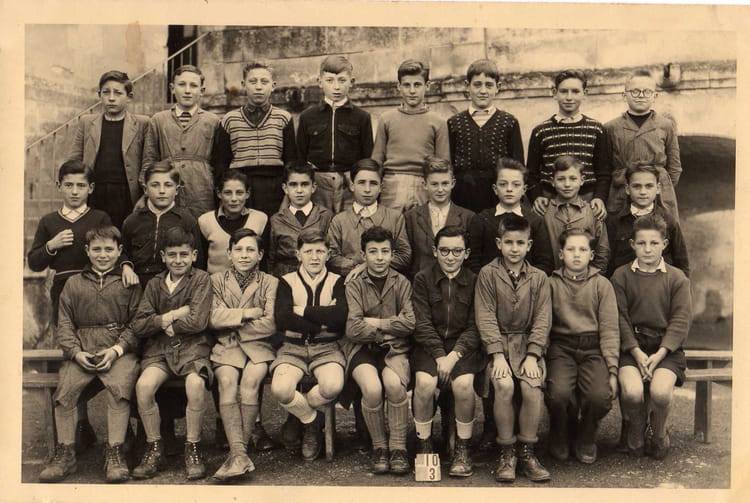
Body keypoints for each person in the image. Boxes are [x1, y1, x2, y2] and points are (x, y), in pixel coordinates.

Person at [27, 160, 138, 451]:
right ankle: (81, 423)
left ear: (91, 188)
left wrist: (126, 265)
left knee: (107, 354)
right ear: (59, 186)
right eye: (69, 185)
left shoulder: (99, 217)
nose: (74, 191)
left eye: (80, 185)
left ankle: (123, 430)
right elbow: (35, 262)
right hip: (67, 290)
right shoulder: (49, 221)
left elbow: (114, 245)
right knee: (74, 354)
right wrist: (51, 245)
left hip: (102, 287)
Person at [38, 226, 142, 483]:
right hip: (82, 350)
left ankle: (115, 452)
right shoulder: (73, 283)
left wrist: (117, 350)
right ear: (87, 251)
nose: (102, 255)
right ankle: (66, 454)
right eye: (96, 249)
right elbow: (64, 324)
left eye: (108, 249)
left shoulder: (130, 283)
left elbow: (137, 324)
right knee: (64, 393)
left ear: (119, 251)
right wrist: (75, 353)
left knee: (119, 391)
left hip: (118, 351)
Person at [474, 214, 551, 483]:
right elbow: (485, 316)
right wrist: (496, 354)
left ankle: (527, 451)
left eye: (520, 243)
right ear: (499, 243)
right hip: (497, 346)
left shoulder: (539, 277)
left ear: (529, 245)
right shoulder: (488, 274)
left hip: (528, 346)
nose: (514, 249)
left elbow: (542, 319)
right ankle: (506, 452)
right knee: (504, 385)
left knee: (531, 386)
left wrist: (533, 355)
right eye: (509, 242)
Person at [132, 226, 213, 480]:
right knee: (144, 386)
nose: (178, 260)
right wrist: (169, 317)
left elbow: (198, 321)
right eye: (172, 255)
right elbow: (139, 324)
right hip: (160, 350)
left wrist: (167, 325)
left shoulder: (201, 279)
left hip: (193, 349)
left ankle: (193, 446)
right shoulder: (155, 284)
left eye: (184, 254)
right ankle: (154, 446)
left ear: (194, 255)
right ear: (163, 257)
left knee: (195, 384)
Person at [611, 213, 692, 460]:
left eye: (654, 243)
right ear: (632, 244)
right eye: (642, 243)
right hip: (632, 347)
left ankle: (658, 432)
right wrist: (635, 352)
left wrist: (660, 354)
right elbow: (620, 318)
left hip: (665, 349)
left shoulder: (676, 278)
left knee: (660, 392)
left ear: (664, 244)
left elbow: (680, 320)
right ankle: (636, 429)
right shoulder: (621, 276)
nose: (647, 249)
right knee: (632, 391)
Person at [411, 226, 484, 477]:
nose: (450, 257)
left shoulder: (475, 281)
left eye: (457, 251)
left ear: (466, 253)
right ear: (434, 251)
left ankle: (463, 447)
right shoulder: (422, 279)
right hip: (429, 347)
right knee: (424, 383)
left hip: (463, 349)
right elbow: (421, 323)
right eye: (444, 251)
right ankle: (424, 444)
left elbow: (476, 326)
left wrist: (454, 355)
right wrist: (439, 354)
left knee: (463, 385)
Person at [343, 226, 415, 475]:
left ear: (392, 254)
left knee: (394, 385)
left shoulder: (401, 282)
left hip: (395, 349)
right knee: (372, 388)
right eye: (373, 252)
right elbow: (353, 328)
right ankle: (380, 447)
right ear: (363, 255)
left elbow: (409, 323)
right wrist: (386, 330)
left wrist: (375, 323)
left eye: (385, 251)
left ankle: (398, 447)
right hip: (361, 348)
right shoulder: (354, 283)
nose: (380, 257)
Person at [271, 229, 347, 461]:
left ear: (328, 254)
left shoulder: (337, 281)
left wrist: (301, 310)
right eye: (308, 251)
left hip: (327, 348)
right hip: (292, 347)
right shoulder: (286, 281)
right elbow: (282, 318)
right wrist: (321, 320)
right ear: (298, 254)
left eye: (320, 252)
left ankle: (299, 414)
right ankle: (312, 420)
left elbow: (340, 317)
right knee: (281, 389)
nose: (314, 257)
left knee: (332, 386)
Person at [208, 229, 278, 481]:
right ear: (229, 253)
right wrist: (247, 314)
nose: (244, 255)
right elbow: (212, 318)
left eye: (250, 250)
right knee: (227, 382)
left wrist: (232, 321)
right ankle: (239, 455)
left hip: (260, 347)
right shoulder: (216, 280)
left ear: (260, 255)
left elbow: (271, 323)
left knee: (250, 383)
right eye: (238, 249)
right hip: (227, 346)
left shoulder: (270, 282)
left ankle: (238, 454)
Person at [545, 229, 619, 464]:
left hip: (592, 348)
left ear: (591, 255)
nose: (576, 255)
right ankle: (560, 430)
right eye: (571, 249)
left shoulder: (602, 285)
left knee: (600, 396)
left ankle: (586, 434)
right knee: (558, 394)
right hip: (561, 348)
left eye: (583, 249)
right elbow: (543, 324)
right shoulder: (550, 284)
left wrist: (613, 369)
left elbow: (609, 329)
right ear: (561, 254)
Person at [211, 61, 297, 216]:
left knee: (272, 227)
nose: (258, 87)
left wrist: (288, 194)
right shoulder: (229, 119)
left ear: (273, 86)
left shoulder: (283, 118)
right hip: (240, 187)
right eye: (252, 81)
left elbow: (290, 161)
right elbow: (221, 163)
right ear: (244, 85)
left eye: (264, 82)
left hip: (274, 186)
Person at [68, 70, 149, 228]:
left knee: (124, 235)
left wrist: (145, 195)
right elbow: (75, 159)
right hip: (95, 192)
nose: (111, 98)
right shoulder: (87, 122)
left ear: (129, 97)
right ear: (99, 95)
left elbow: (148, 162)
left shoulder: (142, 123)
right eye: (106, 92)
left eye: (118, 93)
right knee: (94, 235)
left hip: (127, 193)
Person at [526, 69, 610, 221]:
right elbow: (531, 173)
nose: (569, 97)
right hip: (550, 202)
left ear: (585, 93)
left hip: (587, 200)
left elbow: (603, 172)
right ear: (554, 93)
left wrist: (599, 197)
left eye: (575, 91)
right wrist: (536, 196)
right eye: (564, 91)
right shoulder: (541, 131)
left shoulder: (596, 129)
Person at [296, 55, 374, 213]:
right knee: (319, 222)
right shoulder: (307, 117)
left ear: (351, 82)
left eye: (342, 80)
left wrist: (357, 180)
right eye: (330, 80)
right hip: (318, 182)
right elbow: (300, 156)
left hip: (349, 183)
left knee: (350, 222)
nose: (336, 87)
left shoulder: (361, 117)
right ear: (320, 82)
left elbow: (367, 156)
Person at [142, 65, 221, 218]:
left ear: (202, 91)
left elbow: (219, 163)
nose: (187, 90)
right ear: (172, 88)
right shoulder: (158, 120)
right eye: (182, 84)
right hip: (166, 190)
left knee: (201, 227)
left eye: (193, 85)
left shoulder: (213, 121)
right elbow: (149, 159)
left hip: (202, 191)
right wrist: (147, 191)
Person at [447, 59, 524, 213]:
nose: (483, 91)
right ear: (467, 86)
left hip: (497, 196)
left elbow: (517, 165)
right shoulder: (454, 123)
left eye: (489, 85)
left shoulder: (508, 122)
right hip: (463, 195)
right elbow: (449, 162)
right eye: (477, 85)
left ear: (498, 87)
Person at [372, 59, 450, 212]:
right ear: (399, 87)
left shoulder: (438, 122)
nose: (412, 91)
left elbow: (443, 163)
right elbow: (377, 160)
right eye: (407, 85)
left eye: (417, 85)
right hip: (392, 184)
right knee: (390, 224)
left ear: (427, 86)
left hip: (424, 184)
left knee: (422, 225)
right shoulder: (386, 119)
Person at [605, 70, 682, 219]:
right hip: (621, 193)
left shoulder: (665, 125)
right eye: (635, 91)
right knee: (622, 230)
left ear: (655, 96)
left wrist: (663, 188)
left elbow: (675, 166)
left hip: (658, 196)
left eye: (647, 92)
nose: (641, 96)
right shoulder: (611, 128)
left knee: (660, 229)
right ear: (624, 95)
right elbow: (605, 168)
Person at [122, 160, 204, 287]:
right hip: (138, 282)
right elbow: (123, 251)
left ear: (176, 190)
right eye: (155, 185)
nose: (161, 191)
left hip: (173, 283)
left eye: (168, 185)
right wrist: (126, 266)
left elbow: (198, 261)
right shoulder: (133, 220)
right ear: (145, 189)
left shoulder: (187, 220)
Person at [327, 159, 411, 279]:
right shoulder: (339, 221)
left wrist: (366, 266)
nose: (367, 189)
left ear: (381, 187)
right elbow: (331, 256)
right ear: (352, 186)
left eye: (373, 183)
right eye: (361, 183)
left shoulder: (395, 218)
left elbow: (404, 255)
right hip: (350, 281)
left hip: (387, 283)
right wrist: (354, 268)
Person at [468, 157, 554, 275]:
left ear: (524, 189)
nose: (509, 189)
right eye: (503, 184)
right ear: (495, 189)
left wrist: (524, 282)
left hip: (527, 284)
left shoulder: (535, 221)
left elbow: (544, 263)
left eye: (516, 185)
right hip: (490, 284)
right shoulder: (482, 220)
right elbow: (472, 262)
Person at [606, 163, 689, 276]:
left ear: (658, 188)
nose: (643, 192)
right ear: (627, 189)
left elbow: (681, 262)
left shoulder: (668, 221)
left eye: (649, 186)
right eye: (637, 186)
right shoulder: (615, 221)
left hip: (661, 283)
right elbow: (608, 261)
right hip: (625, 283)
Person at [404, 157, 475, 278]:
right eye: (434, 184)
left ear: (453, 183)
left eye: (445, 183)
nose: (440, 189)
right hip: (420, 282)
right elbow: (409, 258)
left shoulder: (467, 217)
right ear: (425, 184)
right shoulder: (411, 217)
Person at [542, 155, 609, 272]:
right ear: (552, 181)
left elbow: (602, 252)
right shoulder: (544, 211)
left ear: (582, 180)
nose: (567, 184)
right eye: (561, 179)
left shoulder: (593, 212)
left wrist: (592, 278)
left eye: (573, 179)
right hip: (550, 279)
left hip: (587, 280)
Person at [268, 162, 334, 277]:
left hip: (318, 275)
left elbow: (332, 252)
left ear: (313, 187)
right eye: (293, 185)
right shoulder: (276, 220)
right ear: (285, 188)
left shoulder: (326, 216)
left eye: (304, 184)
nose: (299, 190)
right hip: (285, 276)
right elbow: (271, 258)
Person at [199, 170, 268, 275]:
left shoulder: (260, 219)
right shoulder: (205, 221)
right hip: (215, 283)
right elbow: (200, 263)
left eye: (239, 193)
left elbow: (265, 261)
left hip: (253, 282)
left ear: (247, 194)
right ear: (219, 193)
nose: (234, 199)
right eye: (228, 193)